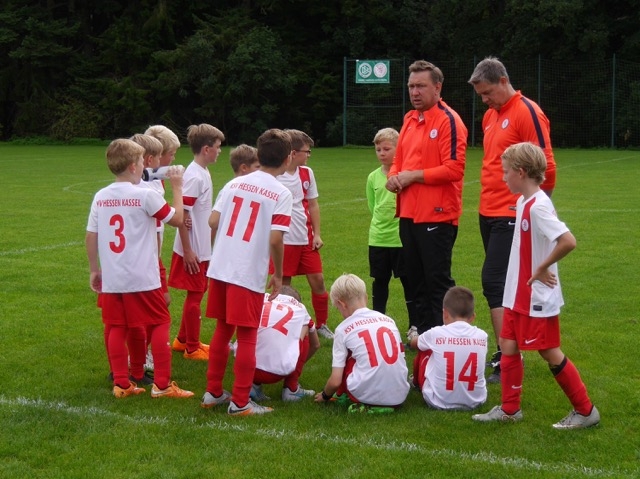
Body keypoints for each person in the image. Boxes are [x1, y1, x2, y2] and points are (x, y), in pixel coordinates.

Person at [472, 142, 599, 429]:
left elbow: (568, 241)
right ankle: (509, 410)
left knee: (548, 351)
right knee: (507, 344)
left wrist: (542, 267)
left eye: (506, 172)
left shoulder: (539, 206)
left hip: (535, 297)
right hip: (516, 293)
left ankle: (585, 410)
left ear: (520, 172)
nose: (503, 177)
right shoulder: (523, 202)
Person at [468, 56, 557, 383]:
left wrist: (534, 210)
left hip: (512, 213)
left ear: (503, 81)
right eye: (480, 95)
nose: (484, 100)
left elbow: (546, 165)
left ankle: (506, 356)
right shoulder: (490, 116)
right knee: (502, 285)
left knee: (493, 280)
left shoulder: (527, 111)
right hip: (488, 212)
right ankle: (509, 351)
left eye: (487, 92)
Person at [86, 138, 193, 399]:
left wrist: (94, 269)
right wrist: (177, 188)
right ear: (134, 166)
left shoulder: (101, 196)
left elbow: (91, 234)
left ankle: (122, 384)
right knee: (159, 322)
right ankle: (163, 385)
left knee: (116, 326)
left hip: (113, 275)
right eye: (141, 161)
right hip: (142, 275)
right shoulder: (145, 195)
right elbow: (177, 219)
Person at [201, 128, 293, 416]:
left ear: (259, 155)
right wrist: (278, 274)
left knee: (222, 330)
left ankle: (213, 392)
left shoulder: (235, 183)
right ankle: (240, 402)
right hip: (246, 270)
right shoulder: (281, 192)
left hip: (221, 266)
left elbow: (213, 221)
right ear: (288, 159)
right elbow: (276, 239)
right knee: (247, 335)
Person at [385, 60, 467, 339]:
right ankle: (423, 336)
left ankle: (447, 338)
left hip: (437, 215)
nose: (415, 92)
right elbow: (399, 161)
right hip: (408, 212)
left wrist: (412, 176)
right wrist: (393, 177)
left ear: (437, 87)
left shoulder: (448, 120)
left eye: (420, 86)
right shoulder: (410, 119)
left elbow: (454, 169)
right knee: (415, 280)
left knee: (437, 281)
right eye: (411, 86)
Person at [314, 274, 410, 412]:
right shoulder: (389, 320)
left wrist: (324, 396)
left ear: (342, 304)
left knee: (348, 357)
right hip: (400, 395)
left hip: (365, 396)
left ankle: (346, 397)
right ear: (366, 297)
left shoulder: (343, 329)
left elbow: (335, 381)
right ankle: (384, 403)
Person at [168, 124, 224, 360]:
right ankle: (192, 348)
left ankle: (182, 340)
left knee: (199, 290)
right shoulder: (194, 176)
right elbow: (182, 215)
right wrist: (188, 250)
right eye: (217, 147)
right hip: (193, 248)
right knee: (195, 294)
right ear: (206, 149)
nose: (220, 151)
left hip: (200, 246)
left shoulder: (202, 171)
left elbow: (189, 213)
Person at [272, 129, 333, 339]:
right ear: (293, 152)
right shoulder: (275, 174)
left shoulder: (307, 173)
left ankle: (322, 325)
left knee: (318, 280)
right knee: (283, 284)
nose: (309, 155)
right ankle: (280, 324)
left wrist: (317, 234)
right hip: (283, 239)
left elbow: (313, 204)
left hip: (306, 237)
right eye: (307, 151)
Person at [366, 127, 418, 333]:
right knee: (380, 281)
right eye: (378, 150)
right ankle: (378, 324)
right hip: (378, 238)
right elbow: (372, 205)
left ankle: (414, 325)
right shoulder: (373, 177)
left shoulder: (405, 176)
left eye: (386, 149)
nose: (381, 153)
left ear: (399, 149)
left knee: (409, 282)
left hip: (401, 239)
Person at [408, 286, 487, 411]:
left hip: (437, 401)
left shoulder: (436, 333)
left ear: (444, 313)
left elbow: (414, 344)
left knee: (425, 349)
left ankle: (415, 382)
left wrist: (414, 336)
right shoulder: (482, 336)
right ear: (472, 317)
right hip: (476, 400)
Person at [249, 285, 316, 402]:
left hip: (245, 367)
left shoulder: (261, 299)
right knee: (305, 329)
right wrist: (296, 363)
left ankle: (253, 385)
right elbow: (315, 344)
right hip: (275, 373)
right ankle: (291, 388)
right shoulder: (300, 309)